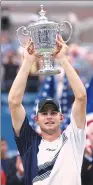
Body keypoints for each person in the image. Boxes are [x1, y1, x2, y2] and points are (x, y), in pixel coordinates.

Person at [8, 35, 87, 185]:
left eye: (53, 113)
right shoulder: (29, 143)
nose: (49, 116)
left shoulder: (73, 138)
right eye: (44, 113)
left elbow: (81, 96)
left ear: (61, 117)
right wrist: (27, 62)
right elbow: (13, 102)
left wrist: (63, 59)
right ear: (36, 119)